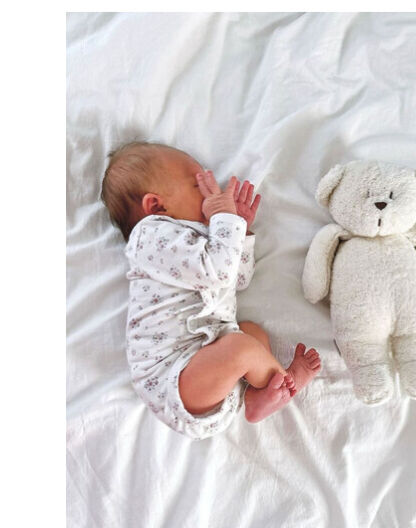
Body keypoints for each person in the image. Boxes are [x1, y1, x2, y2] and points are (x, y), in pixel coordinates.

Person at [101, 141, 321, 439]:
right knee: (241, 348)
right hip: (174, 381)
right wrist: (226, 220)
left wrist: (239, 231)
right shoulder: (151, 235)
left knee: (251, 332)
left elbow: (236, 279)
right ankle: (282, 382)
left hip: (207, 373)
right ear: (156, 206)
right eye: (197, 186)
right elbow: (219, 271)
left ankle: (257, 397)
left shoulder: (199, 239)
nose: (212, 192)